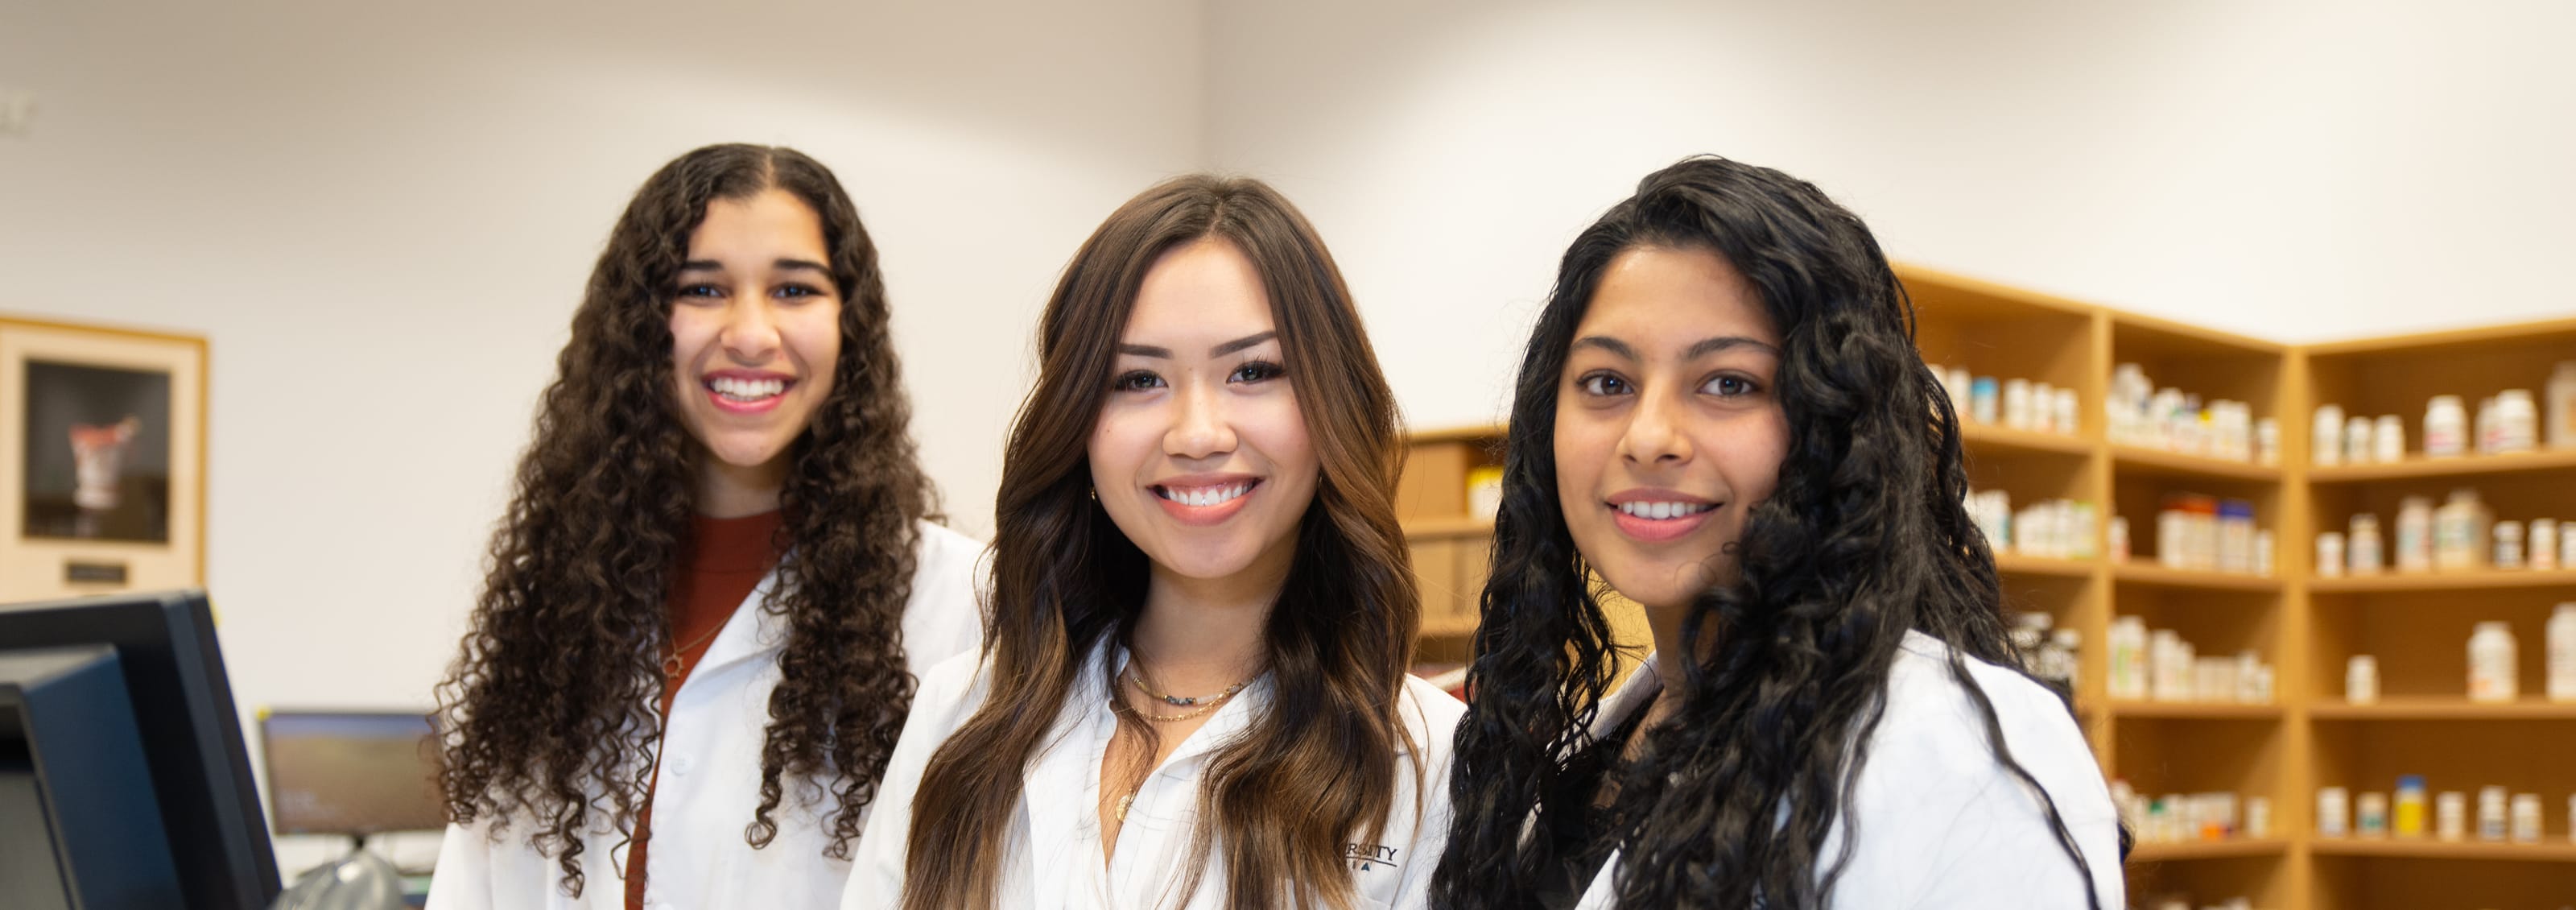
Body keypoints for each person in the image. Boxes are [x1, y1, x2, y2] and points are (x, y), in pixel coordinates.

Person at [1430, 156, 2124, 909]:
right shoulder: (1597, 748)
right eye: (1608, 383)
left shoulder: (1958, 749)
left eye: (1729, 383)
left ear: (1833, 426)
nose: (1650, 435)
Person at [844, 175, 1462, 910]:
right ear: (1077, 423)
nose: (1198, 434)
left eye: (1254, 372)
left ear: (1334, 400)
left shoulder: (1432, 760)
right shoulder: (963, 715)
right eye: (1138, 379)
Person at [429, 143, 985, 910]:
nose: (752, 332)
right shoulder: (558, 601)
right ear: (640, 327)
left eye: (794, 288)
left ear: (848, 324)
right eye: (703, 289)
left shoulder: (958, 604)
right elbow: (476, 886)